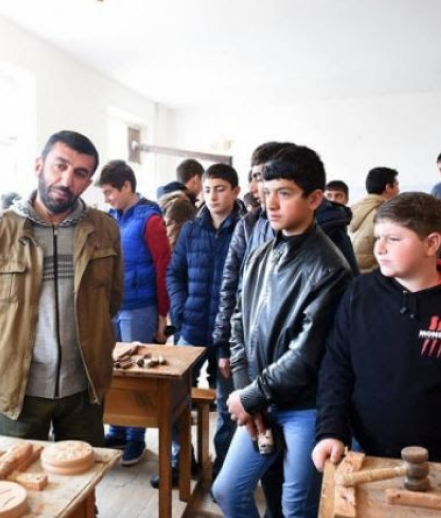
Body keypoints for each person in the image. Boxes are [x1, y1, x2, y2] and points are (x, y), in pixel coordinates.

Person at [313, 192, 441, 470]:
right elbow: (336, 364)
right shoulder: (359, 293)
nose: (379, 248)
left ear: (431, 243)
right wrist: (330, 430)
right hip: (364, 448)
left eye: (393, 239)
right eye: (378, 237)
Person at [213, 144, 352, 518]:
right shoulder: (261, 253)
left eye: (285, 193)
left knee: (295, 509)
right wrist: (246, 392)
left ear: (315, 199)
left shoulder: (331, 268)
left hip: (305, 406)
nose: (270, 203)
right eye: (267, 190)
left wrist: (252, 395)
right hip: (260, 398)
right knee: (227, 491)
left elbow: (306, 355)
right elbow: (239, 322)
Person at [0, 130, 123, 446]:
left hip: (83, 386)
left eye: (80, 173)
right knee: (18, 472)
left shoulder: (104, 229)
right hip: (19, 388)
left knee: (83, 471)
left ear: (88, 182)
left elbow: (112, 299)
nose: (66, 180)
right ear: (39, 165)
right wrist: (11, 338)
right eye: (59, 166)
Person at [161, 163, 243, 488]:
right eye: (207, 190)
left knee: (228, 404)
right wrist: (180, 311)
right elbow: (174, 273)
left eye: (220, 189)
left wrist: (234, 331)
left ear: (235, 192)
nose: (212, 196)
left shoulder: (247, 230)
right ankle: (182, 461)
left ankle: (223, 469)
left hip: (229, 337)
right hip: (191, 329)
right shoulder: (192, 229)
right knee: (174, 398)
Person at [96, 160, 170, 465]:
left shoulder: (150, 220)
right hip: (112, 308)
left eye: (110, 192)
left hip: (140, 308)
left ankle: (136, 437)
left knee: (137, 373)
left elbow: (163, 268)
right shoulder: (109, 219)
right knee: (112, 371)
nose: (107, 198)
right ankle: (117, 429)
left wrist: (163, 316)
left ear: (127, 186)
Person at [349, 166, 400, 273]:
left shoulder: (353, 208)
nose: (398, 190)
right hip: (372, 273)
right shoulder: (385, 214)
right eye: (397, 185)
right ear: (388, 188)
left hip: (352, 271)